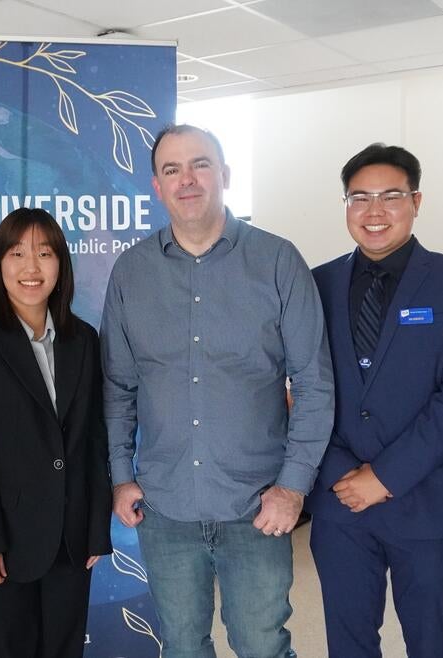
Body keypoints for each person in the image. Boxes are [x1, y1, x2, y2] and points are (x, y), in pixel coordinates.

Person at [100, 124, 334, 658]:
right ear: (156, 187)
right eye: (171, 169)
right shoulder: (131, 273)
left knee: (261, 645)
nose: (188, 180)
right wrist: (120, 477)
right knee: (182, 646)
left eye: (200, 164)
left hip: (257, 506)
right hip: (166, 507)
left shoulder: (278, 262)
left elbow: (315, 384)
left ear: (224, 175)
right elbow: (117, 387)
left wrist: (293, 488)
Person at [305, 143, 443, 657]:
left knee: (429, 638)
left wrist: (383, 477)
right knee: (348, 638)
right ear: (345, 205)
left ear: (416, 201)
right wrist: (345, 474)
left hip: (425, 499)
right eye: (359, 197)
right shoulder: (317, 284)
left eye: (391, 196)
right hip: (340, 499)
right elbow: (306, 386)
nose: (375, 210)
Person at [0, 208, 112, 657]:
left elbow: (94, 440)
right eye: (16, 253)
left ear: (62, 265)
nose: (31, 267)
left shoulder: (84, 340)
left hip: (70, 543)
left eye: (44, 253)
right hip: (0, 544)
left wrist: (95, 529)